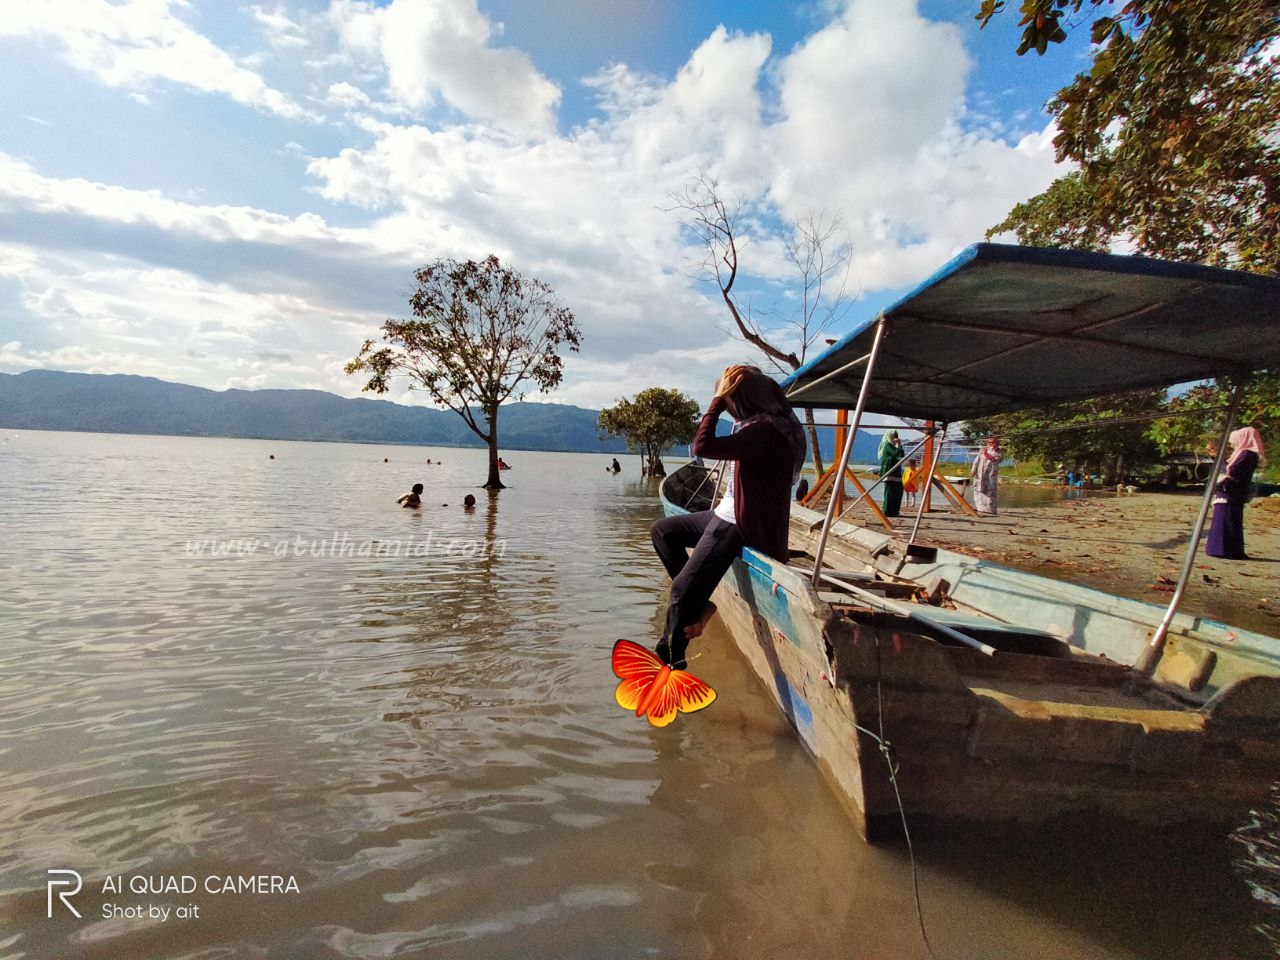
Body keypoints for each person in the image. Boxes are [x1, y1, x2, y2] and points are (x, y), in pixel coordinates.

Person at [649, 365, 805, 669]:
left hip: (742, 523)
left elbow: (702, 446)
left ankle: (673, 658)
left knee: (680, 591)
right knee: (663, 532)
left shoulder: (765, 432)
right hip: (727, 511)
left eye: (730, 399)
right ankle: (699, 604)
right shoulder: (759, 425)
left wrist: (717, 402)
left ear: (742, 398)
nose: (728, 406)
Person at [1206, 427, 1265, 559]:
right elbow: (1227, 466)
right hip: (1230, 491)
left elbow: (1231, 471)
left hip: (1233, 491)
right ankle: (1222, 549)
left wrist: (1218, 458)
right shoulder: (1241, 453)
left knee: (1228, 519)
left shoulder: (1247, 454)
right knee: (1224, 518)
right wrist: (1215, 456)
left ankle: (1227, 550)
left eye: (1234, 441)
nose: (1232, 444)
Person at [878, 431, 905, 517]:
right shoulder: (887, 445)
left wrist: (899, 445)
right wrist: (897, 445)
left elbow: (901, 454)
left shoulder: (895, 446)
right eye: (894, 436)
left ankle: (895, 511)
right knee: (889, 493)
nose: (896, 438)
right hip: (889, 471)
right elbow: (895, 453)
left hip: (896, 472)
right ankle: (887, 511)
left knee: (898, 492)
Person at [972, 437, 1001, 514]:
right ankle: (980, 508)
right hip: (980, 475)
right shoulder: (982, 451)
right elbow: (976, 461)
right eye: (989, 443)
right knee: (978, 490)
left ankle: (990, 509)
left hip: (990, 475)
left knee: (990, 491)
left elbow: (996, 459)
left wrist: (990, 451)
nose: (991, 444)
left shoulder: (998, 452)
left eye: (993, 443)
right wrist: (973, 470)